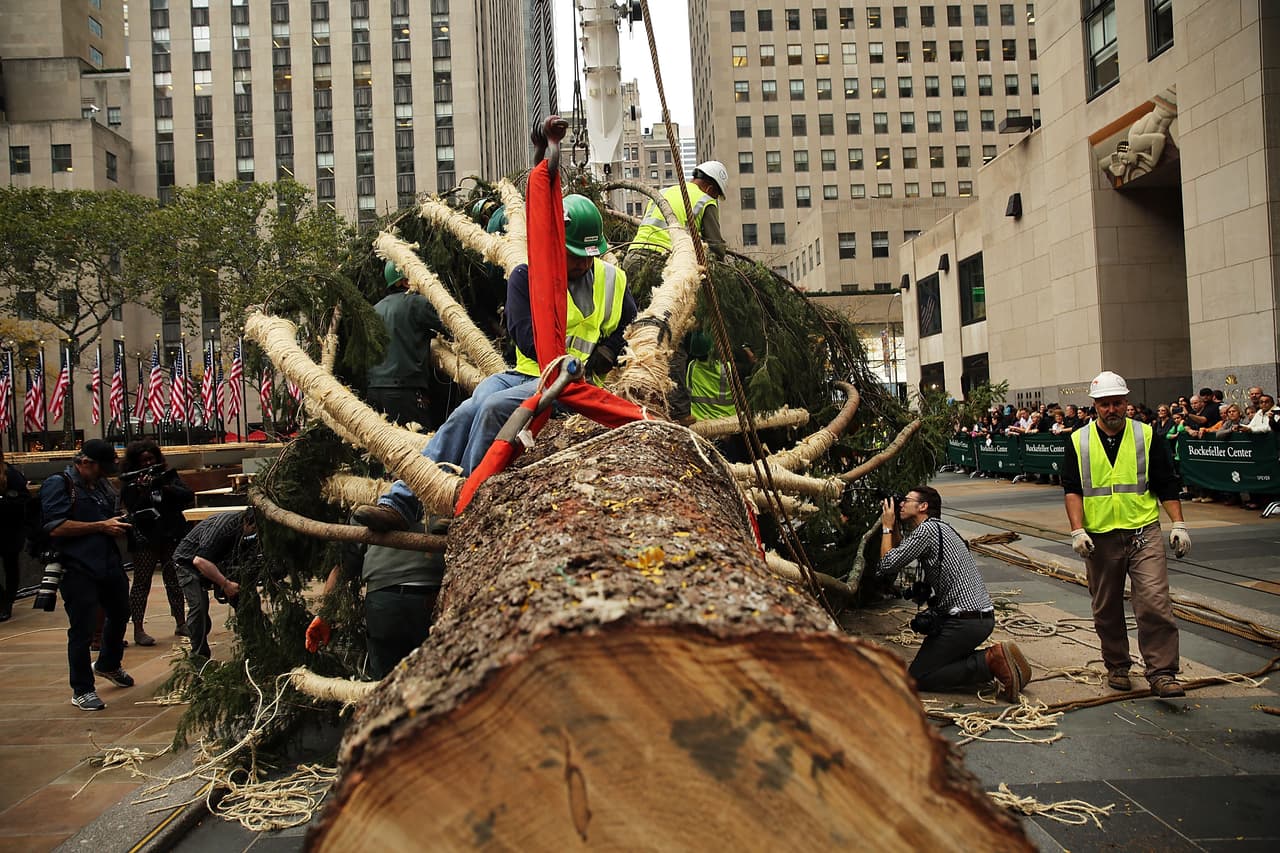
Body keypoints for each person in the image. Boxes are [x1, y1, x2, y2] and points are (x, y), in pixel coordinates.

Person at [355, 194, 637, 532]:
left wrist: (607, 352)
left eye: (590, 255)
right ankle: (401, 502)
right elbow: (525, 337)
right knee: (465, 410)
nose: (585, 264)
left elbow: (631, 324)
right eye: (576, 256)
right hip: (528, 373)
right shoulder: (526, 277)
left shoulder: (612, 279)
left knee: (494, 407)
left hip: (574, 387)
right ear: (552, 243)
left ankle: (465, 502)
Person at [1063, 371, 1190, 698]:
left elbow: (1166, 483)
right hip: (1099, 536)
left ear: (1126, 403)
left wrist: (1178, 523)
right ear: (1095, 406)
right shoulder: (1078, 440)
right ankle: (1117, 665)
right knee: (1106, 607)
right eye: (1104, 404)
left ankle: (1162, 672)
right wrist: (1077, 530)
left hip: (1142, 532)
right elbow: (1073, 490)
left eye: (1117, 402)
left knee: (1154, 602)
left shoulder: (1147, 436)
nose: (1111, 409)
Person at [875, 486, 1031, 701]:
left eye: (906, 500)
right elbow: (900, 551)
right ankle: (1000, 662)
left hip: (964, 622)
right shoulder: (940, 528)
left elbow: (887, 564)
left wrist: (886, 527)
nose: (901, 503)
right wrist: (896, 526)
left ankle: (991, 660)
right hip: (978, 617)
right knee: (936, 664)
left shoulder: (927, 531)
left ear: (923, 506)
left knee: (919, 677)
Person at [39, 439, 135, 711]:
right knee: (82, 628)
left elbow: (109, 515)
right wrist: (100, 526)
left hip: (108, 562)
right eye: (100, 468)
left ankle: (108, 663)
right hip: (77, 566)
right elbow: (55, 527)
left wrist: (121, 521)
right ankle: (81, 688)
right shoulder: (59, 484)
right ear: (84, 463)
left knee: (120, 612)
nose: (104, 474)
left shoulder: (102, 484)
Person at [305, 518, 446, 678]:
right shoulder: (447, 498)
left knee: (386, 683)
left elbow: (343, 568)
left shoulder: (372, 507)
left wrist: (324, 615)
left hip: (384, 602)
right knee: (438, 678)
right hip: (432, 599)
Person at [119, 440, 193, 645]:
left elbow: (187, 496)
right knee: (141, 584)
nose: (148, 463)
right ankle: (138, 629)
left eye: (151, 458)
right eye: (143, 460)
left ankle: (181, 622)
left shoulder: (169, 477)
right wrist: (143, 490)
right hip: (144, 539)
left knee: (174, 580)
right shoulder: (130, 482)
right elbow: (132, 508)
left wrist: (164, 486)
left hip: (170, 535)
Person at [365, 260, 444, 429]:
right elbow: (449, 325)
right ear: (404, 281)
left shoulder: (374, 309)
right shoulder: (416, 302)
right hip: (404, 391)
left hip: (374, 390)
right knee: (418, 445)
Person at [623, 160, 729, 284]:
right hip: (663, 264)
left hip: (632, 258)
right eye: (716, 195)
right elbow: (716, 247)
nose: (714, 199)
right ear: (710, 189)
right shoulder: (706, 200)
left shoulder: (663, 192)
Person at [172, 508, 258, 659]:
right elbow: (200, 561)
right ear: (247, 523)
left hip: (216, 561)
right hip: (188, 563)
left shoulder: (243, 528)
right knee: (199, 606)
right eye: (254, 530)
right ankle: (199, 658)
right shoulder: (224, 528)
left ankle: (255, 649)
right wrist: (225, 584)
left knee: (244, 599)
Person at [0, 449, 31, 622]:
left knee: (10, 566)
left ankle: (7, 603)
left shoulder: (10, 474)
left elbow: (23, 500)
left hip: (8, 530)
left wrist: (3, 502)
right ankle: (2, 599)